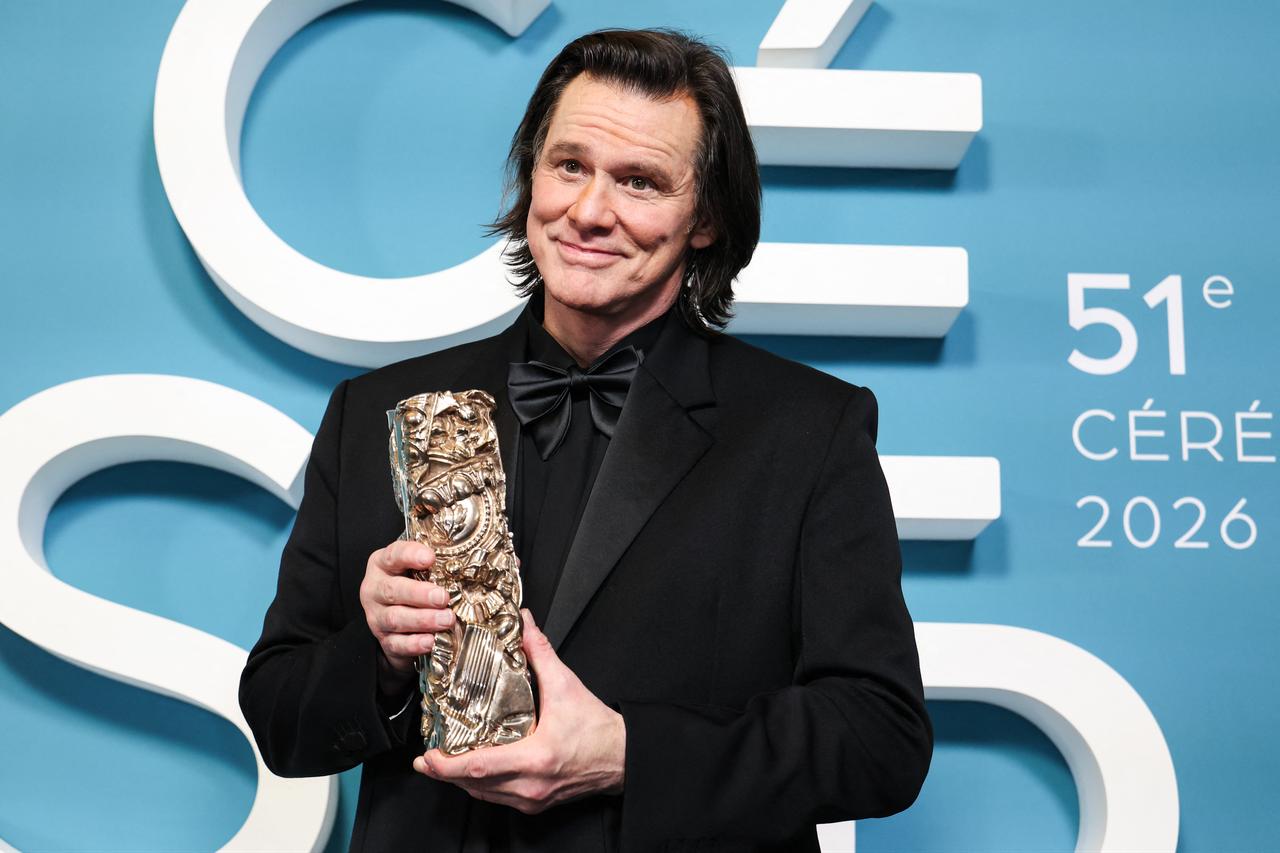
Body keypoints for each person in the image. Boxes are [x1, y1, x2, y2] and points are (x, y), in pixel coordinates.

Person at [240, 28, 931, 853]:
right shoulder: (378, 410)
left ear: (705, 217)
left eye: (640, 181)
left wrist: (629, 754)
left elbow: (881, 736)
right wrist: (383, 658)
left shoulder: (808, 430)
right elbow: (280, 714)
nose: (590, 211)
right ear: (531, 173)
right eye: (569, 165)